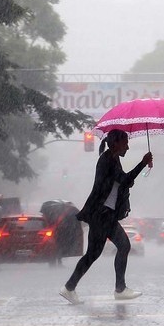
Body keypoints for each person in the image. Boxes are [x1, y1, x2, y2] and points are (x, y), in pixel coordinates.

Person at [59, 129, 153, 304]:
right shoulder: (107, 160)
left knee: (96, 254)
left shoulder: (113, 159)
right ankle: (119, 288)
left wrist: (134, 174)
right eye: (125, 143)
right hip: (101, 214)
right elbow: (123, 180)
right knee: (117, 247)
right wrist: (142, 163)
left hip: (104, 214)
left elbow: (123, 182)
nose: (128, 147)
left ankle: (70, 287)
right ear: (116, 143)